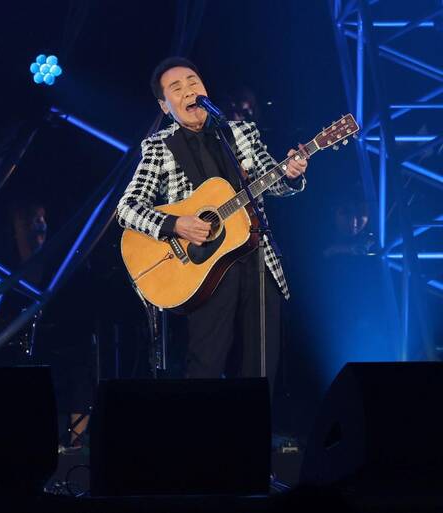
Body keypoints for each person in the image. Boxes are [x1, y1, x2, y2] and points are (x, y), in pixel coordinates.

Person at [116, 57, 307, 384]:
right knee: (206, 365)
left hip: (258, 260)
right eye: (176, 88)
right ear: (164, 106)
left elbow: (271, 180)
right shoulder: (160, 147)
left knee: (262, 369)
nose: (189, 91)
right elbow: (127, 208)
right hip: (204, 270)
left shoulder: (242, 133)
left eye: (193, 82)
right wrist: (176, 225)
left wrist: (290, 173)